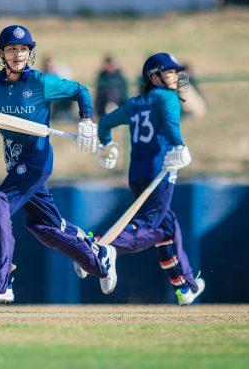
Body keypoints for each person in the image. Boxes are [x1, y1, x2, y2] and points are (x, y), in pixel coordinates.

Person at [0, 24, 117, 303]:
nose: (17, 55)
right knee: (45, 227)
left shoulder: (40, 82)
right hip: (13, 161)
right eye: (11, 49)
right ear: (1, 52)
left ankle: (0, 284)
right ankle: (98, 256)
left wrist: (85, 119)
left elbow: (81, 91)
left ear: (29, 53)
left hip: (36, 159)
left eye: (23, 50)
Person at [77, 52, 205, 306]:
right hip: (160, 174)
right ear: (154, 77)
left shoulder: (136, 103)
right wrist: (179, 145)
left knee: (168, 228)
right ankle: (97, 248)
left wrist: (108, 144)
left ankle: (184, 286)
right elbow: (170, 124)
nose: (175, 76)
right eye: (169, 72)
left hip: (137, 176)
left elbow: (106, 122)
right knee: (150, 229)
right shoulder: (167, 97)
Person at [41, 56, 76, 121]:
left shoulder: (59, 76)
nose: (48, 69)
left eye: (50, 67)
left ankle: (66, 113)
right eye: (47, 67)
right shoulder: (39, 77)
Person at [94, 56, 128, 120]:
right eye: (108, 65)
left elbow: (125, 95)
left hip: (118, 107)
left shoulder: (120, 77)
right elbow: (98, 96)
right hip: (103, 109)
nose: (110, 67)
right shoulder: (102, 76)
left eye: (111, 64)